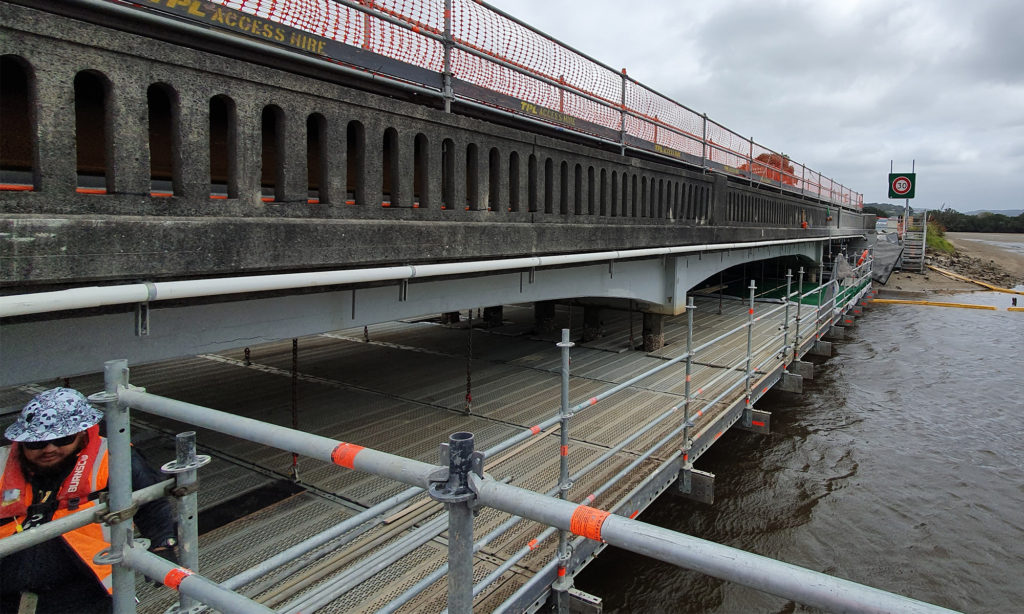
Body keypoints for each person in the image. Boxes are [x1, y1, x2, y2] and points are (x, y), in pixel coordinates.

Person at [0, 388, 177, 613]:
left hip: (86, 589)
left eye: (63, 439)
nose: (49, 449)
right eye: (36, 443)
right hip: (7, 594)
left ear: (82, 433)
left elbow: (150, 500)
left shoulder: (114, 456)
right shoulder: (2, 462)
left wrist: (163, 545)